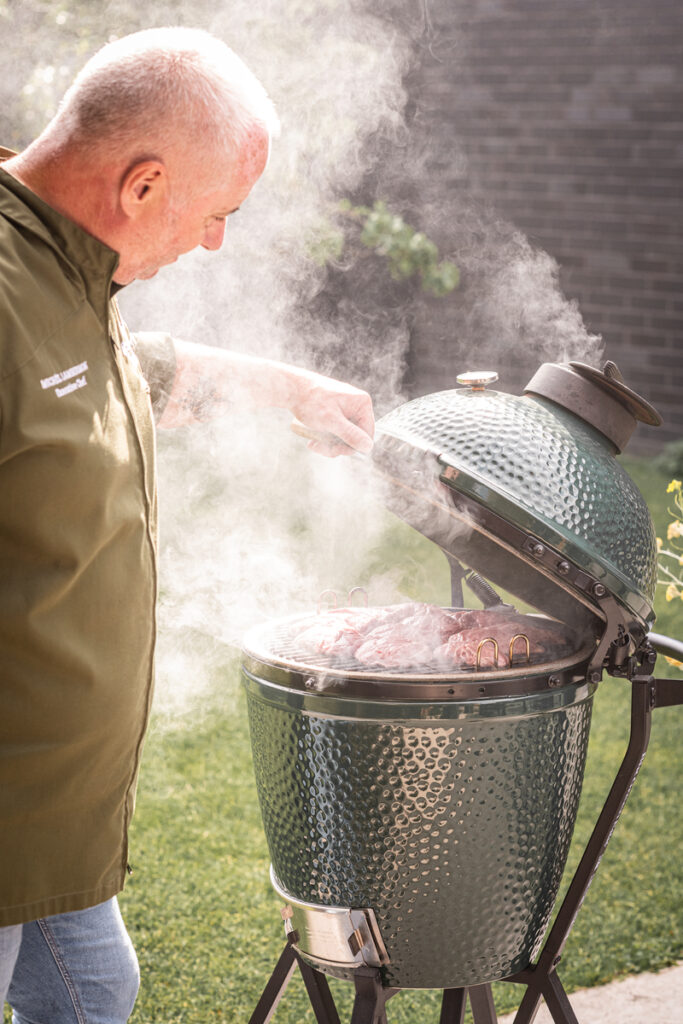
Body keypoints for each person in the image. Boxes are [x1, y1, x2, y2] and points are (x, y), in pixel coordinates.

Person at [0, 27, 374, 1022]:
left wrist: (284, 387)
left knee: (93, 990)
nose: (215, 242)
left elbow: (118, 370)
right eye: (217, 215)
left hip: (47, 829)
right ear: (143, 186)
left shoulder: (62, 265)